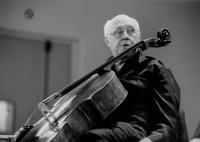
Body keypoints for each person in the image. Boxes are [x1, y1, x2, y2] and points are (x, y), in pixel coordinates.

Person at [80, 14, 180, 142]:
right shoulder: (102, 76)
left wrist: (150, 141)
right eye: (118, 32)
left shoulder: (156, 69)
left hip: (136, 133)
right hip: (105, 133)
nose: (126, 36)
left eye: (131, 31)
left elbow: (168, 125)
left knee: (90, 137)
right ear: (107, 41)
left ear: (138, 37)